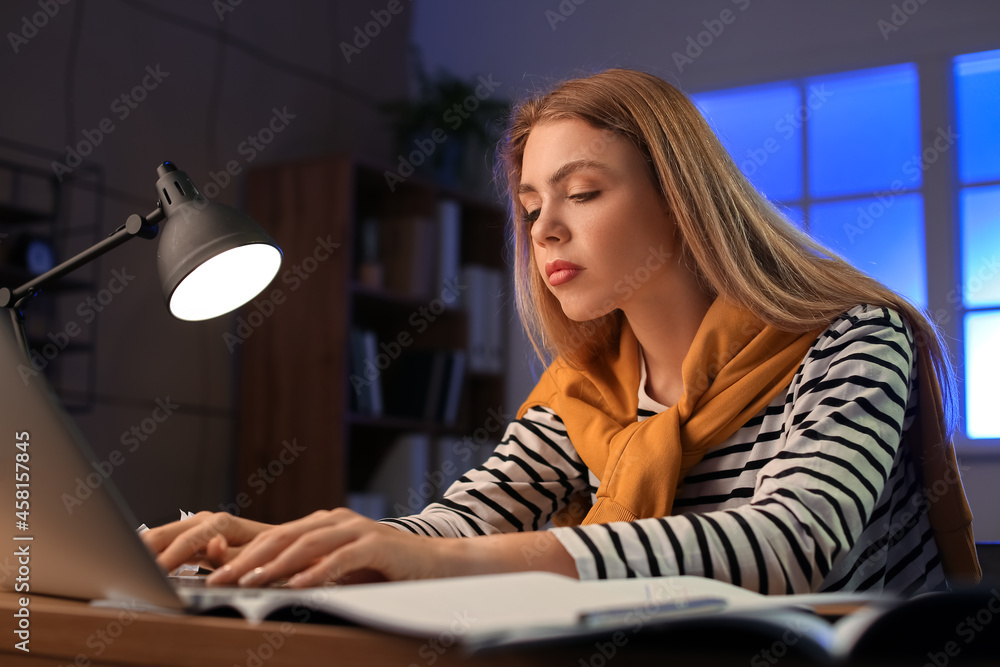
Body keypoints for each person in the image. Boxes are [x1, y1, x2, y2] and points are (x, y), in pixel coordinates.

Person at [143, 68, 981, 594]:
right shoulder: (586, 390)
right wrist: (293, 542)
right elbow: (463, 522)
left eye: (581, 193)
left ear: (684, 202)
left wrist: (439, 564)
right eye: (533, 206)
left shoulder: (855, 339)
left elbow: (791, 540)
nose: (543, 231)